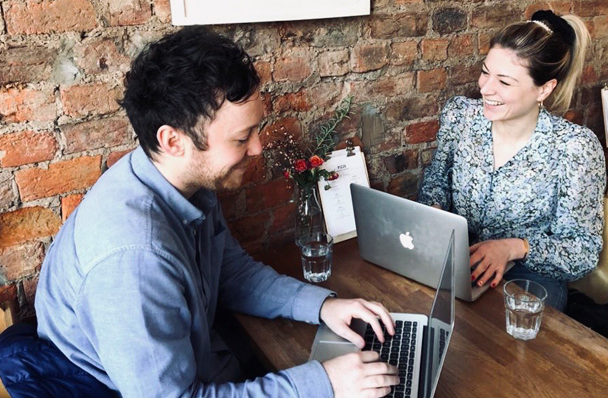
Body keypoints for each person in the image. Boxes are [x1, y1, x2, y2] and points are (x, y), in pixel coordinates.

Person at [35, 27, 399, 398]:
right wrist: (325, 383)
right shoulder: (133, 261)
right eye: (242, 137)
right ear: (173, 141)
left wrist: (323, 306)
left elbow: (231, 272)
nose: (257, 148)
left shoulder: (181, 181)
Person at [418, 10, 605, 312]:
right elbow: (437, 181)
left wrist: (513, 248)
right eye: (485, 71)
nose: (485, 88)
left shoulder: (574, 148)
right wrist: (434, 216)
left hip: (529, 277)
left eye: (504, 82)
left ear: (544, 89)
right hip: (458, 258)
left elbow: (583, 251)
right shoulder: (460, 116)